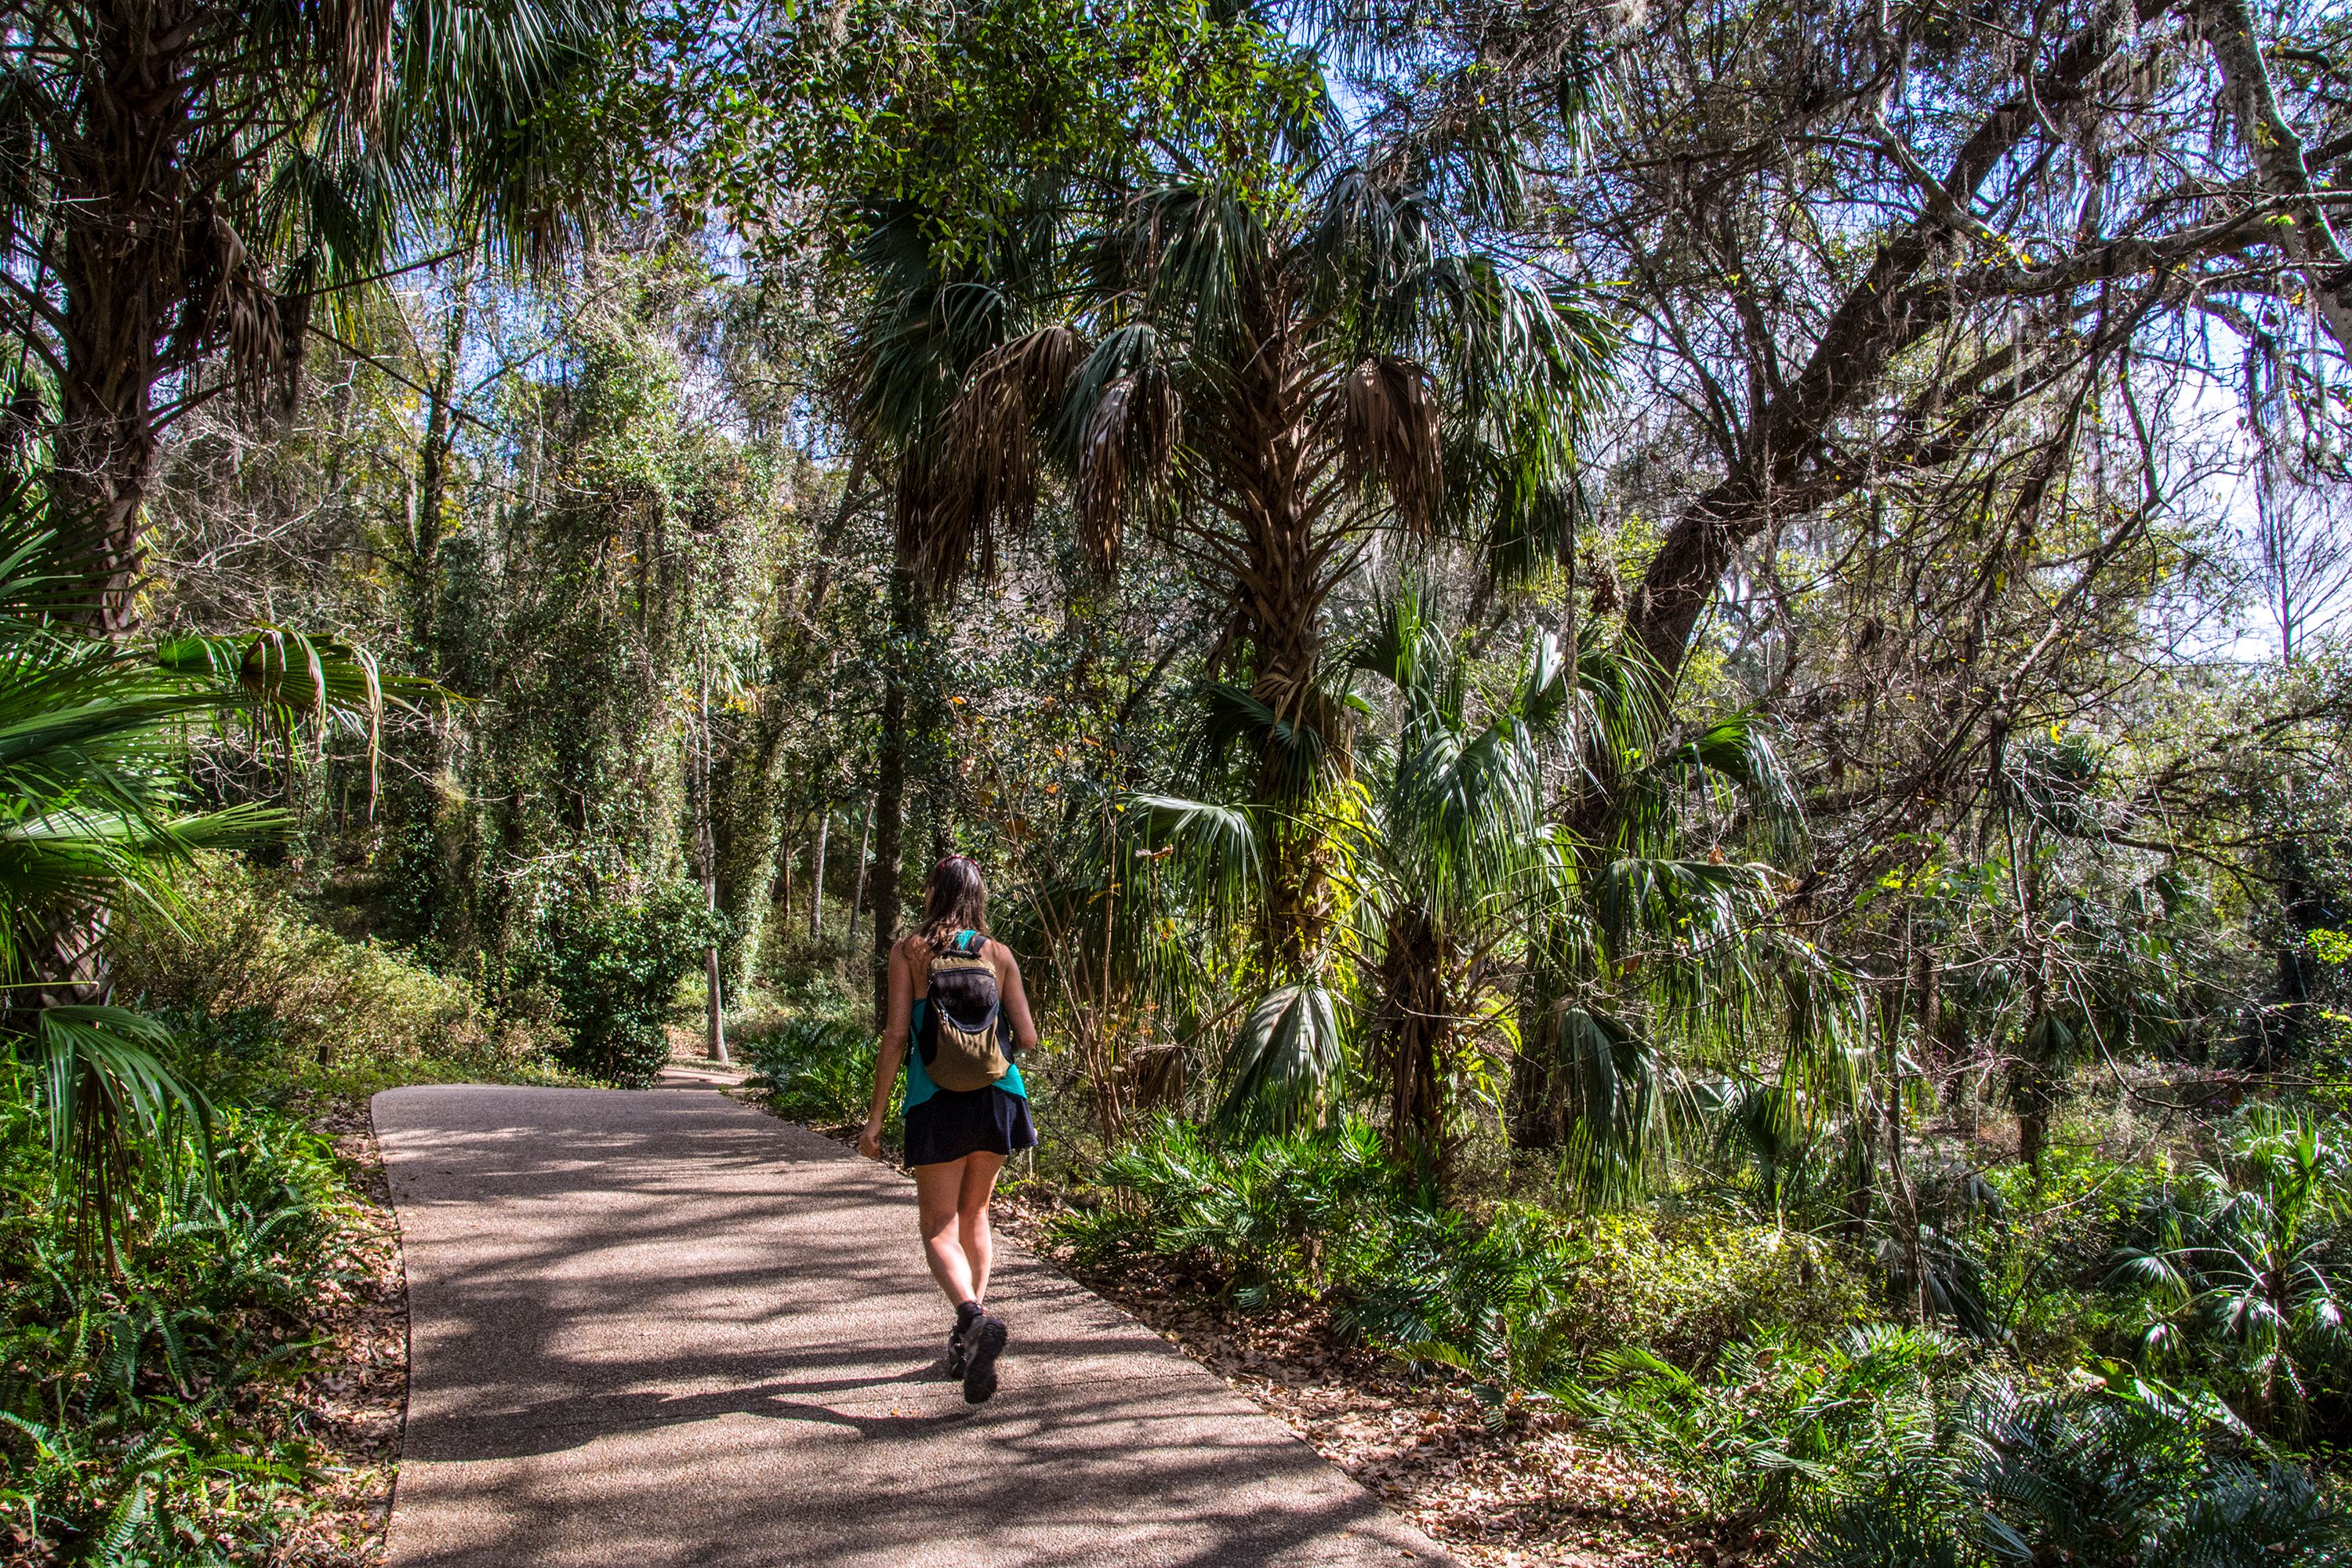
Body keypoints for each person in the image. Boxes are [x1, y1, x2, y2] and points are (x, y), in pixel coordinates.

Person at [858, 855, 1040, 1403]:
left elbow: (895, 1038)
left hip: (935, 1099)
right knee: (976, 1214)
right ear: (978, 895)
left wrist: (875, 1119)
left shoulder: (910, 951)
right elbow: (1027, 1039)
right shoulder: (999, 954)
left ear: (933, 890)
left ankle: (971, 1317)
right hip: (999, 1099)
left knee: (938, 1226)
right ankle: (970, 1335)